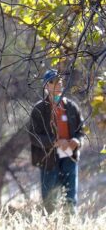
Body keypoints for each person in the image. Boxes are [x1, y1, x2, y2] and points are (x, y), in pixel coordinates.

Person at [28, 69, 87, 212]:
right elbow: (33, 136)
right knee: (49, 202)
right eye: (52, 82)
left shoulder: (71, 107)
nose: (57, 84)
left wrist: (76, 141)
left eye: (59, 81)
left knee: (70, 199)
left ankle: (69, 228)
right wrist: (55, 142)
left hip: (69, 158)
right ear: (46, 86)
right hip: (49, 160)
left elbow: (82, 132)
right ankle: (51, 229)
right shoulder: (39, 109)